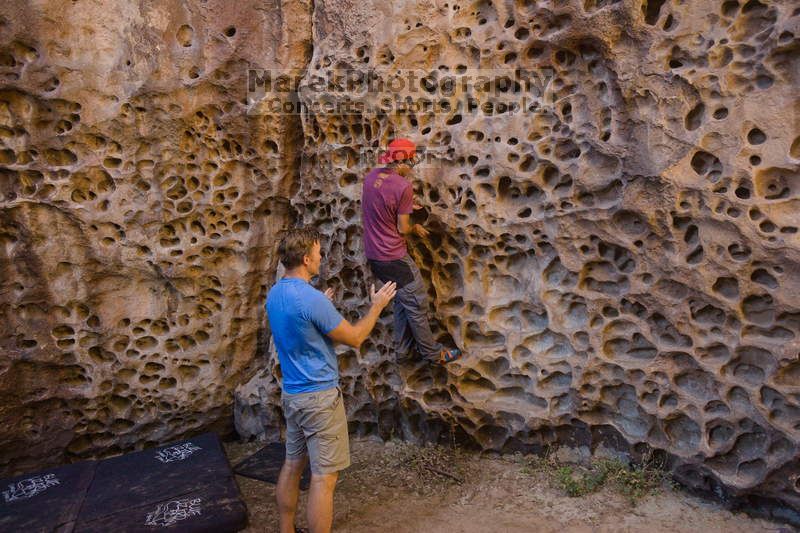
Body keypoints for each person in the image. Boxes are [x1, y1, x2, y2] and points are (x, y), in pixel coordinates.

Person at [266, 227, 397, 533]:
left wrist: (319, 303)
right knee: (324, 477)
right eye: (319, 252)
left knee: (292, 465)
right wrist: (376, 305)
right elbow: (355, 338)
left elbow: (298, 327)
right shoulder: (311, 301)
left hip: (293, 395)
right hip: (320, 399)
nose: (322, 257)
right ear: (307, 257)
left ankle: (286, 530)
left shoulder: (276, 294)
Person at [361, 137, 462, 365]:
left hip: (374, 255)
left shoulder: (371, 178)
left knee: (402, 300)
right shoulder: (402, 186)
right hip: (393, 257)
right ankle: (433, 353)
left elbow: (380, 205)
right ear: (402, 161)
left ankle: (404, 352)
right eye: (411, 161)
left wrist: (405, 204)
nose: (412, 166)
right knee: (417, 301)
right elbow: (402, 227)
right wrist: (415, 226)